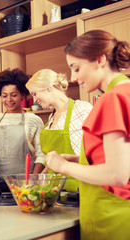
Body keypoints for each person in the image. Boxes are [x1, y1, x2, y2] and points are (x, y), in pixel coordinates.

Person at [46, 30, 130, 239]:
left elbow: (118, 175)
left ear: (99, 60)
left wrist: (64, 166)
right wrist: (79, 159)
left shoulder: (112, 99)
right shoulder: (126, 91)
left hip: (111, 216)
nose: (73, 78)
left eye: (76, 68)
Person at [26, 69, 92, 192]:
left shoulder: (82, 109)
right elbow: (51, 160)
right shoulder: (51, 118)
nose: (34, 100)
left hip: (78, 190)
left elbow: (94, 155)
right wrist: (41, 177)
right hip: (53, 191)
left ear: (49, 87)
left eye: (35, 93)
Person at [0, 68, 45, 177]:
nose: (8, 99)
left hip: (25, 183)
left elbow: (41, 155)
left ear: (23, 95)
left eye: (14, 95)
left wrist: (33, 180)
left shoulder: (33, 120)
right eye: (4, 96)